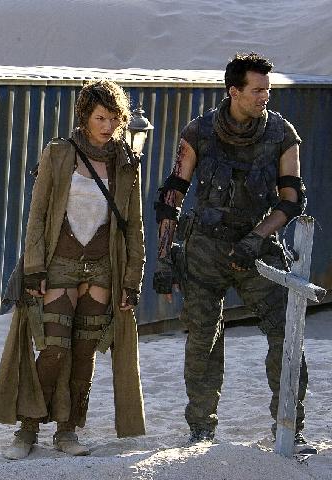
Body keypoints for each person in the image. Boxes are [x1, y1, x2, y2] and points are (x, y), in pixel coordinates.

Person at [153, 52, 314, 452]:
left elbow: (292, 199)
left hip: (258, 249)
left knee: (286, 333)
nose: (265, 97)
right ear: (234, 91)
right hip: (204, 250)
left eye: (267, 90)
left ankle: (289, 429)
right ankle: (201, 432)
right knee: (203, 338)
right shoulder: (199, 132)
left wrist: (257, 237)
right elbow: (172, 196)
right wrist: (165, 258)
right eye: (257, 90)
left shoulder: (282, 134)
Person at [0, 80, 146, 459]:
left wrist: (132, 280)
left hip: (103, 268)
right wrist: (33, 267)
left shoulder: (126, 161)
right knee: (54, 349)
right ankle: (28, 429)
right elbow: (38, 214)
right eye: (100, 118)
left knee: (85, 352)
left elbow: (135, 226)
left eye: (114, 118)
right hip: (59, 264)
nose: (108, 126)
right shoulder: (59, 153)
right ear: (85, 116)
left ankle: (68, 429)